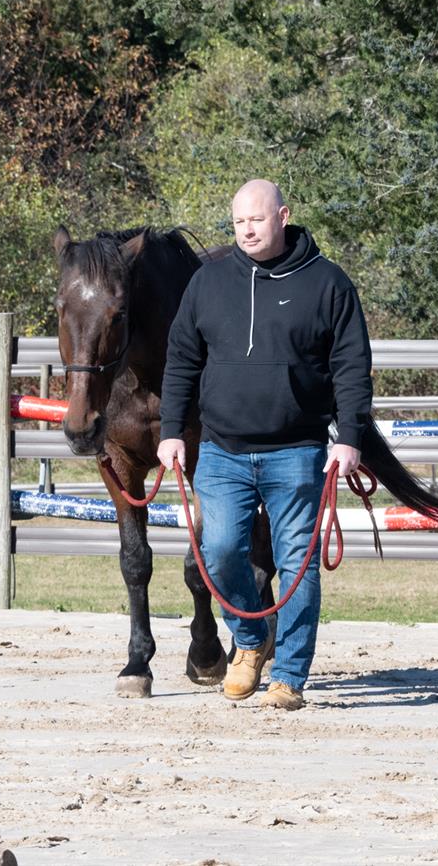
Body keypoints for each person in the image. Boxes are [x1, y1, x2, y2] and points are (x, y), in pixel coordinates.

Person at [157, 179, 372, 712]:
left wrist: (349, 437)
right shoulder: (208, 282)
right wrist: (170, 431)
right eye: (238, 222)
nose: (247, 230)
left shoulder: (328, 283)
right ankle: (251, 640)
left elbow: (352, 366)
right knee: (218, 552)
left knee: (298, 563)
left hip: (296, 450)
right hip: (221, 451)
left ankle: (290, 675)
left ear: (283, 216)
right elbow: (182, 359)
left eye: (256, 219)